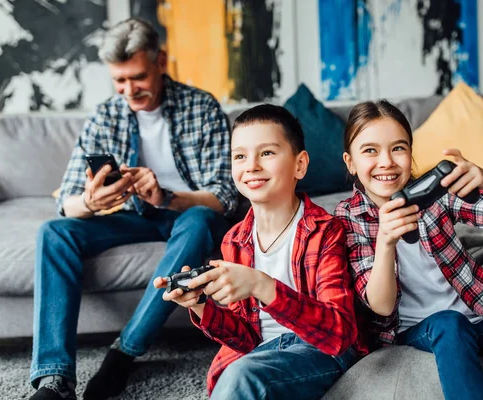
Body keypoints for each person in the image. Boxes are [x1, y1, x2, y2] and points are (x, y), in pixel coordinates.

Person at [29, 18, 238, 400]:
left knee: (200, 221)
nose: (129, 90)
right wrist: (90, 202)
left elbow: (225, 195)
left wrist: (166, 198)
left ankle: (124, 353)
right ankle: (53, 378)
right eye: (119, 81)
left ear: (161, 61)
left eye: (137, 77)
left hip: (187, 214)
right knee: (53, 233)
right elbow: (67, 202)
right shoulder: (106, 114)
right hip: (130, 216)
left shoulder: (201, 106)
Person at [334, 100, 483, 400]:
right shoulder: (348, 217)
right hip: (414, 330)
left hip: (475, 318)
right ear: (350, 162)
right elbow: (381, 306)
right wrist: (386, 240)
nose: (386, 161)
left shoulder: (435, 195)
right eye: (370, 150)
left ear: (411, 155)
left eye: (398, 148)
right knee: (448, 324)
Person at [154, 104, 368, 399]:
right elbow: (245, 337)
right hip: (260, 352)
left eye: (266, 153)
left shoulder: (326, 231)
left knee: (243, 376)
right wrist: (200, 304)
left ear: (300, 165)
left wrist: (261, 285)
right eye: (240, 156)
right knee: (236, 372)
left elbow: (339, 334)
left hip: (317, 350)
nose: (251, 165)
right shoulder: (235, 240)